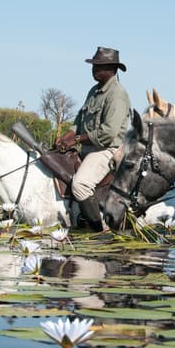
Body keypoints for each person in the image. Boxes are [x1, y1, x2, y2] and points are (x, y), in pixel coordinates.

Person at [57, 46, 131, 231]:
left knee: (80, 184)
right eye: (94, 66)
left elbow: (109, 133)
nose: (94, 70)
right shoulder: (93, 91)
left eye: (98, 66)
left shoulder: (117, 95)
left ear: (111, 69)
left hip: (107, 150)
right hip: (89, 148)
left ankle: (99, 230)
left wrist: (77, 140)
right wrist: (66, 136)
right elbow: (79, 121)